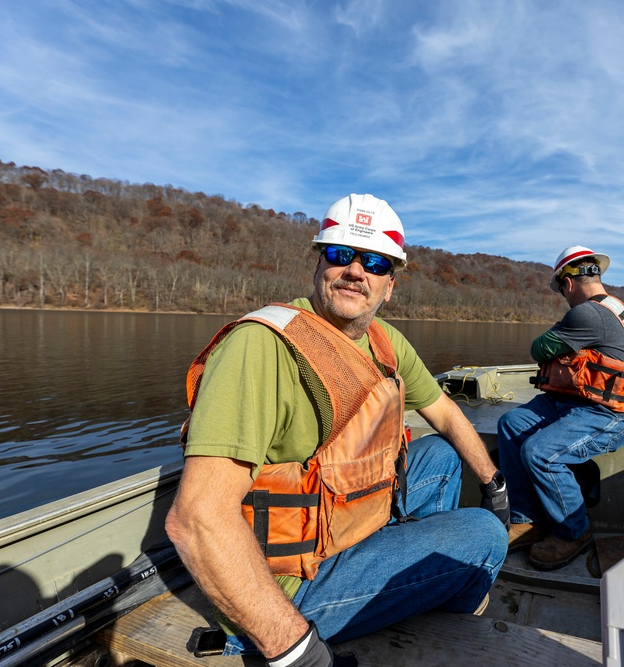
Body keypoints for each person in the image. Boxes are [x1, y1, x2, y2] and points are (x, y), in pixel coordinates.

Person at [165, 194, 509, 666]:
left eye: (375, 262)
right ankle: (429, 605)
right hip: (288, 585)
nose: (355, 271)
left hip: (346, 523)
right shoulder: (261, 347)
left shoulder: (384, 341)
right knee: (484, 536)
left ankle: (417, 589)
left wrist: (495, 482)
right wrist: (295, 651)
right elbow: (197, 519)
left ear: (390, 285)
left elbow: (445, 411)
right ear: (319, 264)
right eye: (341, 254)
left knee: (443, 456)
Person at [498, 245, 624, 571]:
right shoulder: (614, 308)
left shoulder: (585, 314)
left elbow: (537, 348)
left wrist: (557, 333)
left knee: (540, 452)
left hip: (613, 414)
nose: (563, 296)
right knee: (512, 423)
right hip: (577, 402)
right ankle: (528, 521)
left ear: (568, 283)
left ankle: (574, 532)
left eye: (560, 290)